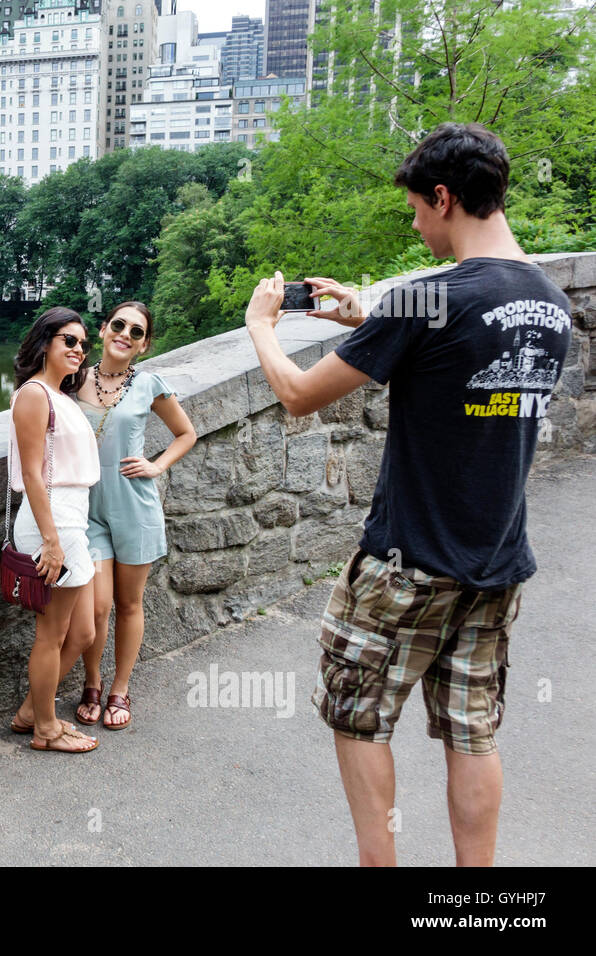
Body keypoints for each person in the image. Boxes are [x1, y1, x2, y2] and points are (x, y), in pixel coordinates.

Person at [243, 123, 571, 867]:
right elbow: (467, 361)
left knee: (360, 717)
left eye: (419, 210)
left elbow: (298, 394)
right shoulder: (549, 304)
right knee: (471, 731)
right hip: (495, 561)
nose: (417, 224)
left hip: (407, 562)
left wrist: (262, 326)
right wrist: (370, 319)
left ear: (446, 198)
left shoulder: (432, 296)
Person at [72, 302, 197, 730]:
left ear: (144, 345)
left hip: (134, 504)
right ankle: (91, 682)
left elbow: (187, 433)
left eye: (137, 331)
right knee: (97, 607)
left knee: (129, 603)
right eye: (119, 325)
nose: (126, 334)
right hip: (87, 508)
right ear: (104, 330)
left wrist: (157, 465)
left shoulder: (149, 385)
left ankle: (119, 689)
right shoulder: (74, 379)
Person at [5, 307, 102, 754]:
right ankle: (45, 727)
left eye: (83, 343)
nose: (79, 350)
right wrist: (51, 541)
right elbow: (31, 473)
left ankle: (30, 711)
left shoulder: (61, 396)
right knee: (52, 634)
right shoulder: (34, 396)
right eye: (69, 340)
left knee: (81, 633)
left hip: (71, 520)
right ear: (46, 342)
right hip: (52, 523)